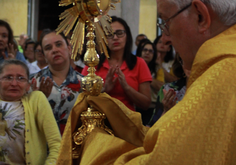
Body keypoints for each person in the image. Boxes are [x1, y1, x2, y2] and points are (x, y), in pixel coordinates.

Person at [58, 0, 236, 164]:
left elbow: (162, 158)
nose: (165, 38)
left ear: (200, 16)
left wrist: (93, 138)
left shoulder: (221, 78)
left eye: (166, 22)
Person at [82, 16, 152, 111]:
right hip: (98, 120)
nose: (115, 38)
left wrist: (126, 88)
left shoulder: (139, 63)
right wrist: (105, 89)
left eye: (119, 33)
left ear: (127, 36)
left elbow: (146, 103)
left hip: (128, 120)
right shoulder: (93, 62)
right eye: (109, 34)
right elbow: (81, 99)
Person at [0, 59, 61, 165]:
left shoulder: (36, 100)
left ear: (28, 85)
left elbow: (57, 144)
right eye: (8, 77)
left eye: (20, 78)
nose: (14, 83)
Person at [30, 29, 83, 135]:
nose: (54, 50)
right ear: (44, 56)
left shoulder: (84, 83)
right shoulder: (32, 82)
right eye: (48, 48)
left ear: (69, 49)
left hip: (74, 146)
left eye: (59, 44)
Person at [136, 40, 164, 125]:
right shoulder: (133, 66)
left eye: (150, 51)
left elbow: (161, 87)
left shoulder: (157, 68)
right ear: (140, 52)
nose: (147, 53)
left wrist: (145, 77)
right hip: (135, 106)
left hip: (153, 107)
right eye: (145, 50)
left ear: (154, 54)